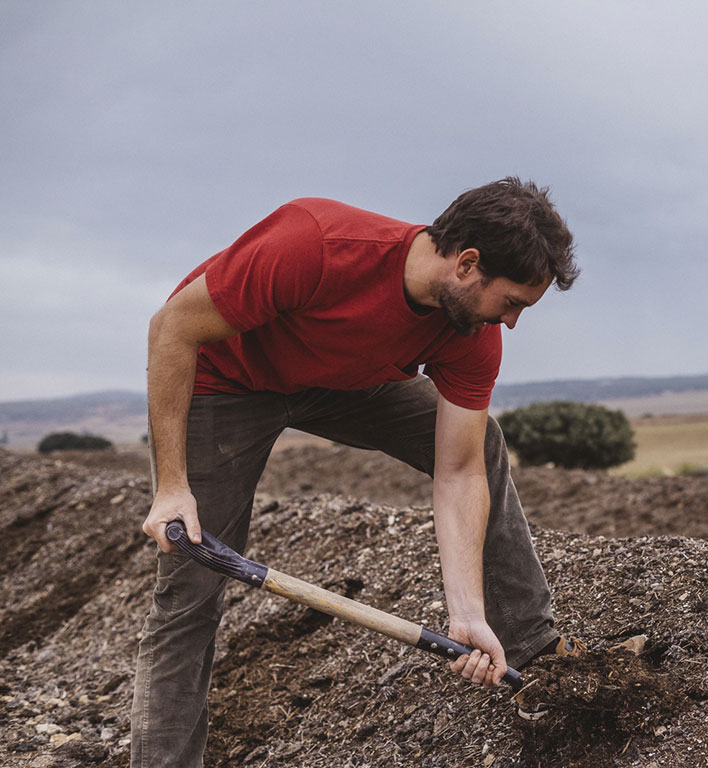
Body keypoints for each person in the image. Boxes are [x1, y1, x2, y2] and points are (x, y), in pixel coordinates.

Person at [131, 178, 582, 767]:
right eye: (514, 302)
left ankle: (535, 655)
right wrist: (172, 488)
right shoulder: (316, 243)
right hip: (229, 377)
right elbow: (171, 327)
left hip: (342, 381)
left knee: (481, 441)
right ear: (467, 264)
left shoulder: (471, 332)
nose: (514, 322)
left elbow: (460, 471)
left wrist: (465, 612)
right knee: (190, 583)